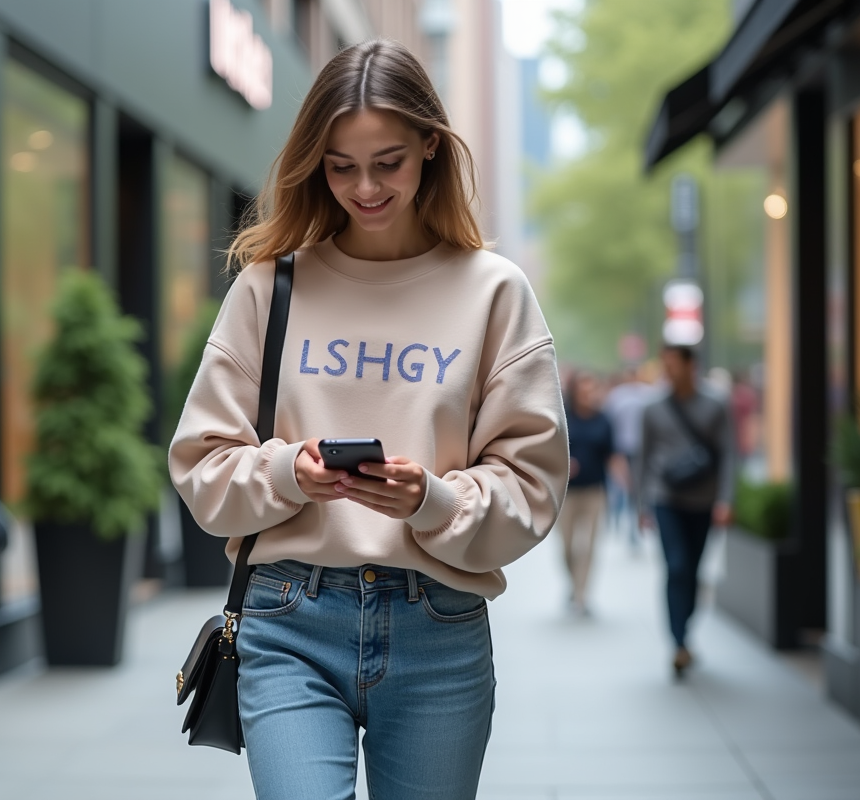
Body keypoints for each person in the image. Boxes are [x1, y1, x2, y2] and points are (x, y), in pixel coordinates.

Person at [170, 40, 569, 799]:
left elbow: (533, 487)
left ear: (430, 145)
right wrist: (289, 473)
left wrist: (432, 500)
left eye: (388, 162)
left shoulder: (494, 293)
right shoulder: (269, 288)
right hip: (288, 620)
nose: (365, 187)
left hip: (437, 628)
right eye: (340, 166)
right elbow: (201, 464)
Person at [637, 345, 733, 679]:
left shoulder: (716, 405)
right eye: (665, 364)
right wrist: (641, 505)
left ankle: (685, 629)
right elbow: (643, 457)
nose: (669, 371)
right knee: (676, 567)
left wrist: (725, 500)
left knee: (693, 570)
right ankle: (678, 642)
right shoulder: (652, 408)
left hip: (703, 500)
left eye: (674, 364)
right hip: (666, 499)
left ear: (693, 366)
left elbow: (728, 455)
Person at [559, 369, 616, 616]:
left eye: (592, 389)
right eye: (584, 388)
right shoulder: (562, 417)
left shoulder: (604, 420)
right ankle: (574, 583)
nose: (588, 394)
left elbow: (612, 455)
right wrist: (564, 465)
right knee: (567, 547)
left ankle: (581, 595)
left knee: (589, 546)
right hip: (566, 494)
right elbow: (548, 451)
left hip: (595, 492)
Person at [601, 364, 661, 546]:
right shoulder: (618, 396)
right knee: (621, 486)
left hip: (641, 449)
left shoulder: (648, 394)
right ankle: (618, 519)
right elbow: (608, 423)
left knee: (636, 487)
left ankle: (634, 524)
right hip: (622, 449)